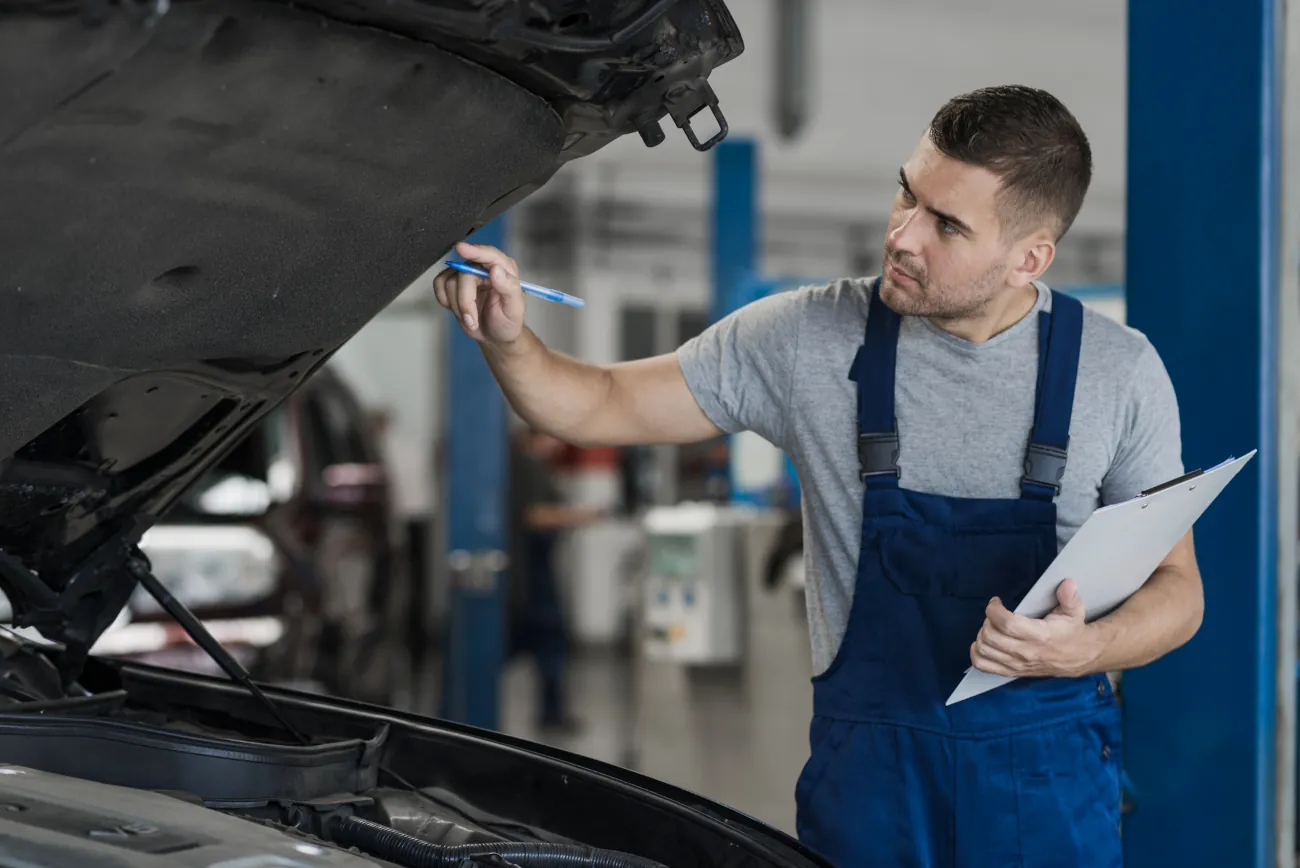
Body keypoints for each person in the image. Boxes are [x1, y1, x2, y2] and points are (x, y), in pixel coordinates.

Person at [433, 85, 1202, 866]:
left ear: (1029, 257)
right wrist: (508, 341)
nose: (903, 236)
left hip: (1046, 795)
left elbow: (1180, 592)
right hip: (873, 796)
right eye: (907, 193)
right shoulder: (807, 340)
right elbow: (594, 404)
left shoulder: (1119, 373)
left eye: (947, 225)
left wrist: (1085, 648)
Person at [507, 427, 603, 735]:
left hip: (530, 570)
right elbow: (535, 515)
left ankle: (552, 712)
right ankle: (551, 714)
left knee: (538, 644)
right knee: (548, 641)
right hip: (531, 571)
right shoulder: (529, 465)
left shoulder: (523, 465)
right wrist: (581, 517)